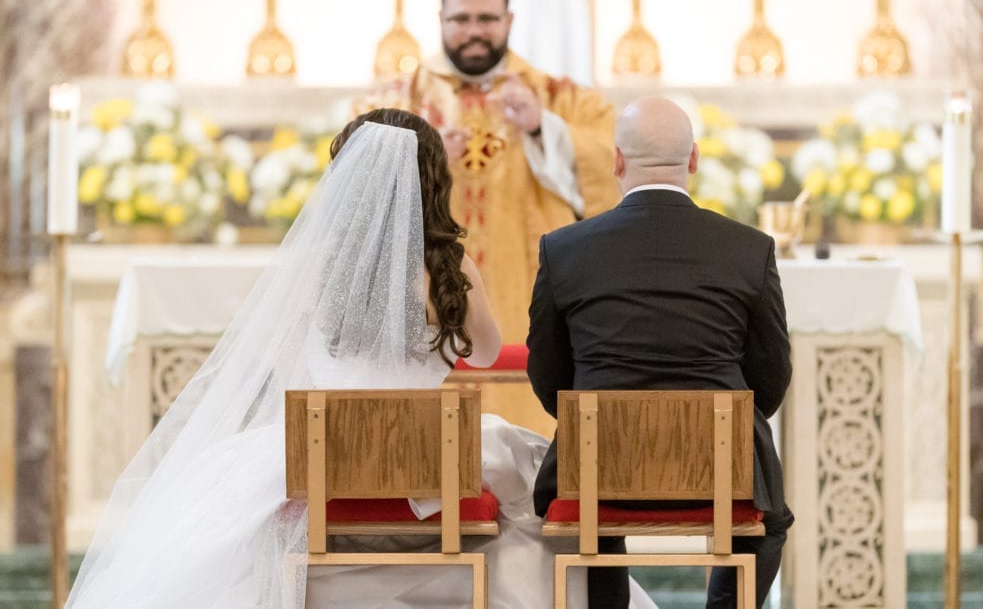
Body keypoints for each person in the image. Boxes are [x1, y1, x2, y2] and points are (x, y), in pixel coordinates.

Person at [68, 108, 654, 608]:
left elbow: (287, 369)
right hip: (428, 456)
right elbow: (480, 350)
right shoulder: (450, 267)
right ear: (431, 179)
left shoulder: (316, 268)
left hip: (326, 452)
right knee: (530, 487)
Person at [527, 97, 795, 608]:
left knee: (591, 502)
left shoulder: (564, 249)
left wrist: (605, 419)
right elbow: (772, 372)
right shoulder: (748, 248)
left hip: (598, 462)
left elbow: (548, 371)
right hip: (721, 467)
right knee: (770, 520)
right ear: (694, 159)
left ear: (617, 161)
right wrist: (722, 425)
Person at [361, 0, 621, 342]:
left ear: (509, 20)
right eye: (461, 19)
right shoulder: (394, 102)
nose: (474, 32)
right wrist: (423, 159)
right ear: (441, 19)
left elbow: (611, 166)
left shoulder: (558, 98)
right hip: (423, 294)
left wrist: (542, 128)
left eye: (487, 19)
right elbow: (354, 191)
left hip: (524, 286)